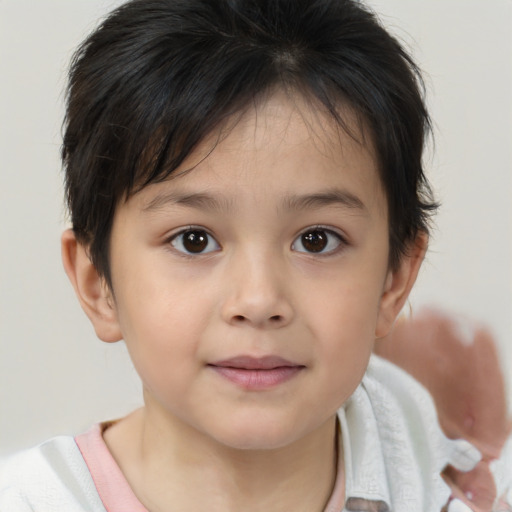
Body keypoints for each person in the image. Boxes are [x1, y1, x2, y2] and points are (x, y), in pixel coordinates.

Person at [0, 0, 510, 510]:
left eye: (317, 240)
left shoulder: (445, 482)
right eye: (193, 240)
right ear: (97, 283)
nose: (259, 299)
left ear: (394, 278)